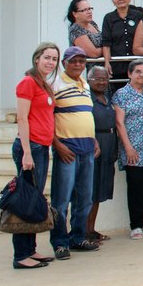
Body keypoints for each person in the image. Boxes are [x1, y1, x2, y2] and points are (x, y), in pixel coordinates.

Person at [11, 42, 60, 269]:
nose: (50, 62)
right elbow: (22, 119)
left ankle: (30, 249)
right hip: (30, 148)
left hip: (42, 146)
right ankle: (21, 255)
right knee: (26, 202)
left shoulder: (43, 85)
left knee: (34, 199)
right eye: (47, 57)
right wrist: (27, 153)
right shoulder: (27, 83)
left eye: (54, 59)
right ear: (37, 58)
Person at [49, 46, 100, 260]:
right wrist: (57, 144)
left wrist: (94, 139)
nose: (78, 65)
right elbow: (46, 117)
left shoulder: (85, 84)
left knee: (85, 199)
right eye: (73, 61)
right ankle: (60, 242)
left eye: (81, 61)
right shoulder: (54, 84)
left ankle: (77, 237)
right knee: (61, 201)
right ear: (64, 63)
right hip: (67, 149)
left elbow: (85, 115)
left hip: (87, 149)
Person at [113, 59, 143, 238]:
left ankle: (141, 219)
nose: (141, 75)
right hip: (133, 150)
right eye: (138, 71)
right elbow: (119, 122)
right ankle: (135, 225)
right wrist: (128, 147)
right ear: (129, 74)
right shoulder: (122, 94)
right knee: (135, 187)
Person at [85, 65, 116, 243]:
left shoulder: (108, 97)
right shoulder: (87, 98)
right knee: (89, 189)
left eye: (105, 79)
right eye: (98, 79)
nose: (102, 82)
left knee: (99, 190)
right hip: (93, 142)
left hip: (109, 142)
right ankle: (82, 231)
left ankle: (91, 229)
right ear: (89, 81)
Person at [101, 0, 143, 81]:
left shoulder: (138, 15)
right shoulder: (108, 18)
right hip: (117, 66)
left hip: (137, 65)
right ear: (113, 1)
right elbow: (106, 43)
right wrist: (107, 62)